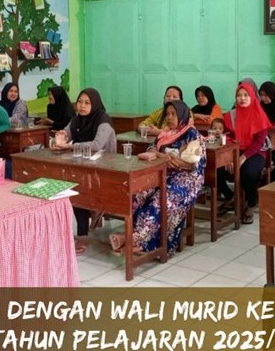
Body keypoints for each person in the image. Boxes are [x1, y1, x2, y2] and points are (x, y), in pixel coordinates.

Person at [110, 100, 206, 256]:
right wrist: (165, 157)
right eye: (167, 114)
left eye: (173, 114)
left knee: (161, 200)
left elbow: (196, 163)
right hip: (163, 173)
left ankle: (141, 241)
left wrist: (173, 160)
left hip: (188, 178)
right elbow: (151, 149)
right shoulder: (165, 133)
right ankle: (133, 235)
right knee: (140, 193)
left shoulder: (192, 134)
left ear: (182, 115)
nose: (169, 117)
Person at [52, 88, 117, 254]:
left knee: (78, 189)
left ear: (95, 104)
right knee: (73, 188)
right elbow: (65, 134)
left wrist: (69, 146)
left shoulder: (103, 120)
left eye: (87, 103)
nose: (82, 106)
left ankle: (83, 233)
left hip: (105, 168)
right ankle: (83, 230)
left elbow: (97, 145)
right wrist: (58, 139)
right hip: (83, 166)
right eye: (80, 102)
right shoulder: (76, 120)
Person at [217, 81, 271, 224]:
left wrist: (242, 158)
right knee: (217, 170)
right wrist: (229, 157)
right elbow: (227, 137)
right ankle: (231, 197)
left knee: (247, 173)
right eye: (239, 95)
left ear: (252, 96)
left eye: (246, 95)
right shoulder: (231, 115)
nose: (242, 98)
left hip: (255, 152)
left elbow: (259, 142)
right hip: (234, 151)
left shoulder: (259, 115)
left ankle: (251, 204)